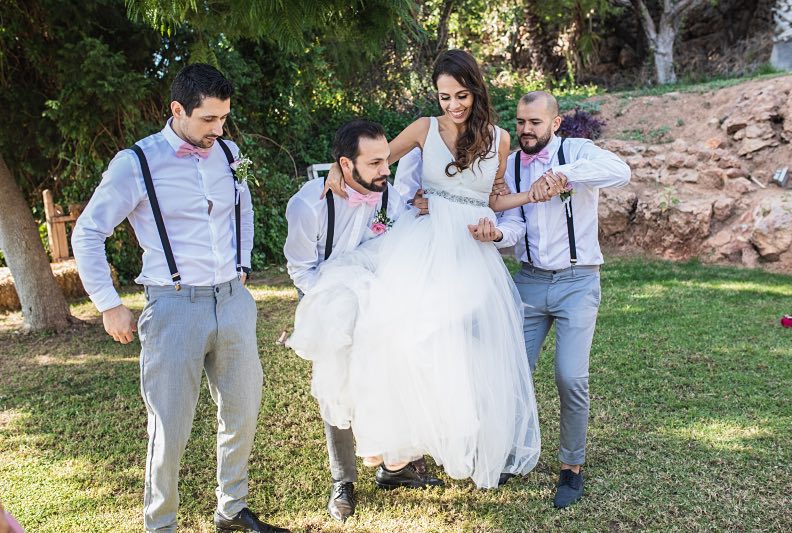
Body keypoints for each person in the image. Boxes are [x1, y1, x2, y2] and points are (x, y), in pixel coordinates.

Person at [288, 49, 542, 489]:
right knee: (405, 339)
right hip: (424, 243)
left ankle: (471, 442)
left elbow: (494, 198)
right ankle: (395, 452)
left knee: (469, 347)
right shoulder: (425, 128)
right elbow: (375, 157)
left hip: (472, 250)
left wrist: (528, 197)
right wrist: (336, 170)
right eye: (444, 97)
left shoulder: (501, 139)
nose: (453, 105)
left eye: (460, 95)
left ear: (476, 90)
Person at [72, 64, 288, 533]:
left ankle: (231, 509)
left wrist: (243, 264)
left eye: (224, 118)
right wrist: (108, 303)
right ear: (177, 110)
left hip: (233, 301)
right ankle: (161, 525)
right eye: (209, 119)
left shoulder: (229, 153)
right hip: (173, 307)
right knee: (169, 428)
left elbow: (243, 209)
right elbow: (87, 232)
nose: (219, 129)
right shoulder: (136, 162)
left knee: (243, 413)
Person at [473, 90, 631, 508]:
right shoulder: (510, 165)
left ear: (555, 123)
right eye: (521, 122)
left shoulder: (576, 151)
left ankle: (571, 467)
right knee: (512, 372)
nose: (525, 130)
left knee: (571, 377)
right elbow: (514, 224)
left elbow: (620, 171)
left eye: (535, 122)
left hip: (578, 282)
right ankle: (514, 452)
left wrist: (564, 174)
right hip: (529, 281)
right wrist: (497, 234)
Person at [285, 119, 443, 523]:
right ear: (345, 164)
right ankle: (343, 480)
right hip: (324, 295)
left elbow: (396, 237)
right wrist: (340, 297)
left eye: (386, 160)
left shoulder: (388, 194)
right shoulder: (308, 205)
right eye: (374, 163)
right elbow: (301, 270)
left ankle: (395, 463)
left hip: (375, 289)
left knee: (394, 367)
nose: (385, 169)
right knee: (335, 383)